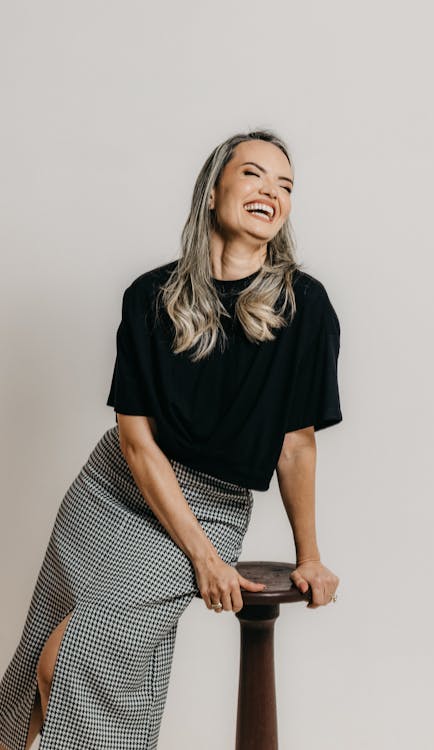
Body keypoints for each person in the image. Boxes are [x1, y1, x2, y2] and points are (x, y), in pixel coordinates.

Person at [0, 128, 343, 750]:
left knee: (73, 661)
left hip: (210, 504)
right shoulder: (147, 297)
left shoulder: (306, 307)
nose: (272, 191)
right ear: (213, 192)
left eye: (286, 185)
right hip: (115, 490)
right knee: (36, 662)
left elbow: (296, 445)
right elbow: (135, 444)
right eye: (254, 175)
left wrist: (308, 554)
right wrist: (203, 559)